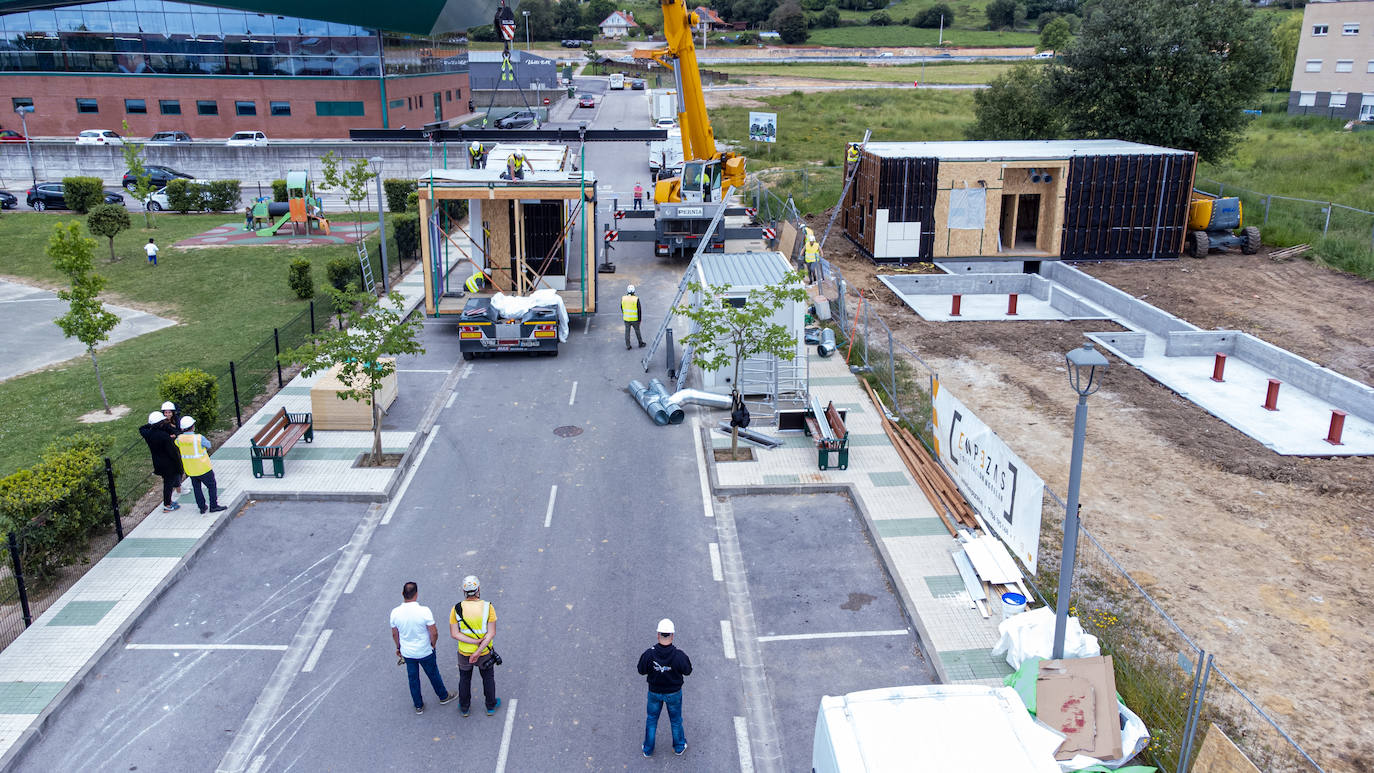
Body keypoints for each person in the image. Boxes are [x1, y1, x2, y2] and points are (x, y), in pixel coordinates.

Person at [390, 581, 456, 714]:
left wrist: (398, 647)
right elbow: (434, 632)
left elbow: (394, 633)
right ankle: (443, 696)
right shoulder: (424, 611)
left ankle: (418, 705)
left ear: (403, 594)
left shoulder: (395, 612)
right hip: (425, 650)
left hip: (408, 653)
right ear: (416, 594)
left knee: (413, 678)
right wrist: (433, 643)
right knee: (433, 674)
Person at [637, 618, 692, 757]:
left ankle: (648, 749)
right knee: (675, 720)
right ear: (672, 636)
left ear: (658, 635)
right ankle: (679, 746)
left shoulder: (649, 654)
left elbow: (641, 670)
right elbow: (688, 671)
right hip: (674, 694)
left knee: (652, 719)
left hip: (654, 693)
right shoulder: (679, 656)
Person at [450, 575, 499, 717]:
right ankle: (490, 706)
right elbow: (491, 633)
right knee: (488, 678)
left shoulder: (456, 608)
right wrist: (478, 650)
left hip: (464, 652)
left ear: (464, 592)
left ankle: (464, 708)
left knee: (464, 679)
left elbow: (455, 633)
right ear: (478, 589)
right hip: (484, 652)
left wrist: (472, 643)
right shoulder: (488, 607)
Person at [174, 416, 227, 515]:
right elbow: (209, 445)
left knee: (197, 488)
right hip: (203, 468)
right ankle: (213, 506)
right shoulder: (198, 438)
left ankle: (202, 508)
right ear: (192, 427)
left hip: (190, 469)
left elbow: (177, 443)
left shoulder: (179, 439)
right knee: (212, 486)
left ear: (182, 429)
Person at [139, 411, 182, 511]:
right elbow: (173, 453)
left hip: (158, 462)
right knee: (168, 484)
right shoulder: (164, 437)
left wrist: (151, 424)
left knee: (167, 482)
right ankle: (167, 505)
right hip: (169, 464)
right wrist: (179, 466)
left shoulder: (148, 434)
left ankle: (168, 502)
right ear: (160, 423)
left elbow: (141, 428)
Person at [621, 285, 644, 350]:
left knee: (627, 332)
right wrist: (639, 320)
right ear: (634, 291)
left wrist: (625, 314)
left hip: (626, 319)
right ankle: (640, 343)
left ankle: (628, 346)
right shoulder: (636, 299)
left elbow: (622, 308)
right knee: (637, 331)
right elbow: (639, 310)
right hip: (635, 319)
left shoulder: (623, 298)